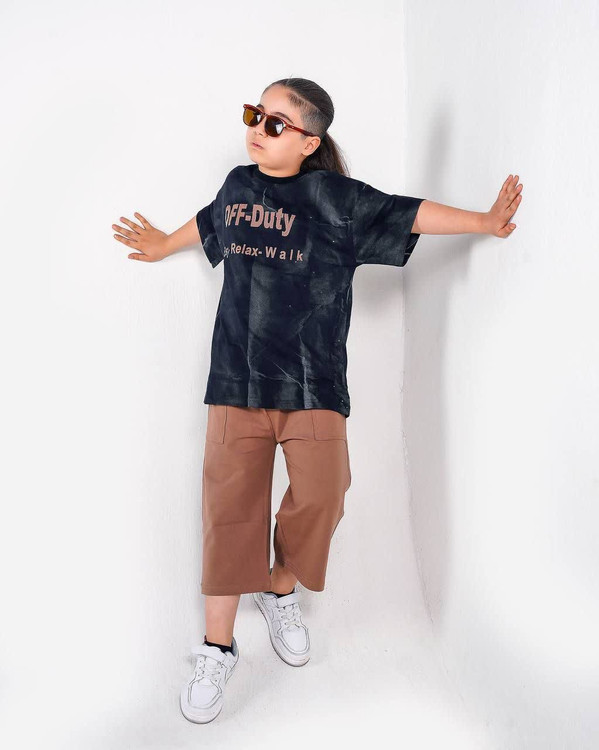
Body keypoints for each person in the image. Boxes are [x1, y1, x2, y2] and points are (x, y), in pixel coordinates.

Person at [111, 77, 523, 724]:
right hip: (236, 382)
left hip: (312, 384)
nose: (257, 128)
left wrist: (484, 222)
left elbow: (409, 213)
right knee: (229, 513)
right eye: (255, 114)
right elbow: (213, 219)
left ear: (308, 142)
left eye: (275, 122)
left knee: (325, 493)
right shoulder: (237, 185)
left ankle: (279, 588)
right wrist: (165, 242)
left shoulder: (335, 199)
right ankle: (217, 647)